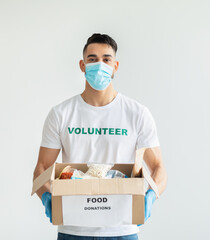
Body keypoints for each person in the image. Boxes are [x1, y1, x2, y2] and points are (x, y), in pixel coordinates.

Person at [33, 33, 168, 240]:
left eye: (106, 59)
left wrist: (151, 196)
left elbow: (158, 167)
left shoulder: (136, 113)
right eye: (92, 59)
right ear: (82, 65)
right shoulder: (61, 114)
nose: (100, 65)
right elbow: (42, 168)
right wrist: (47, 198)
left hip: (122, 230)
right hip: (73, 229)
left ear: (115, 66)